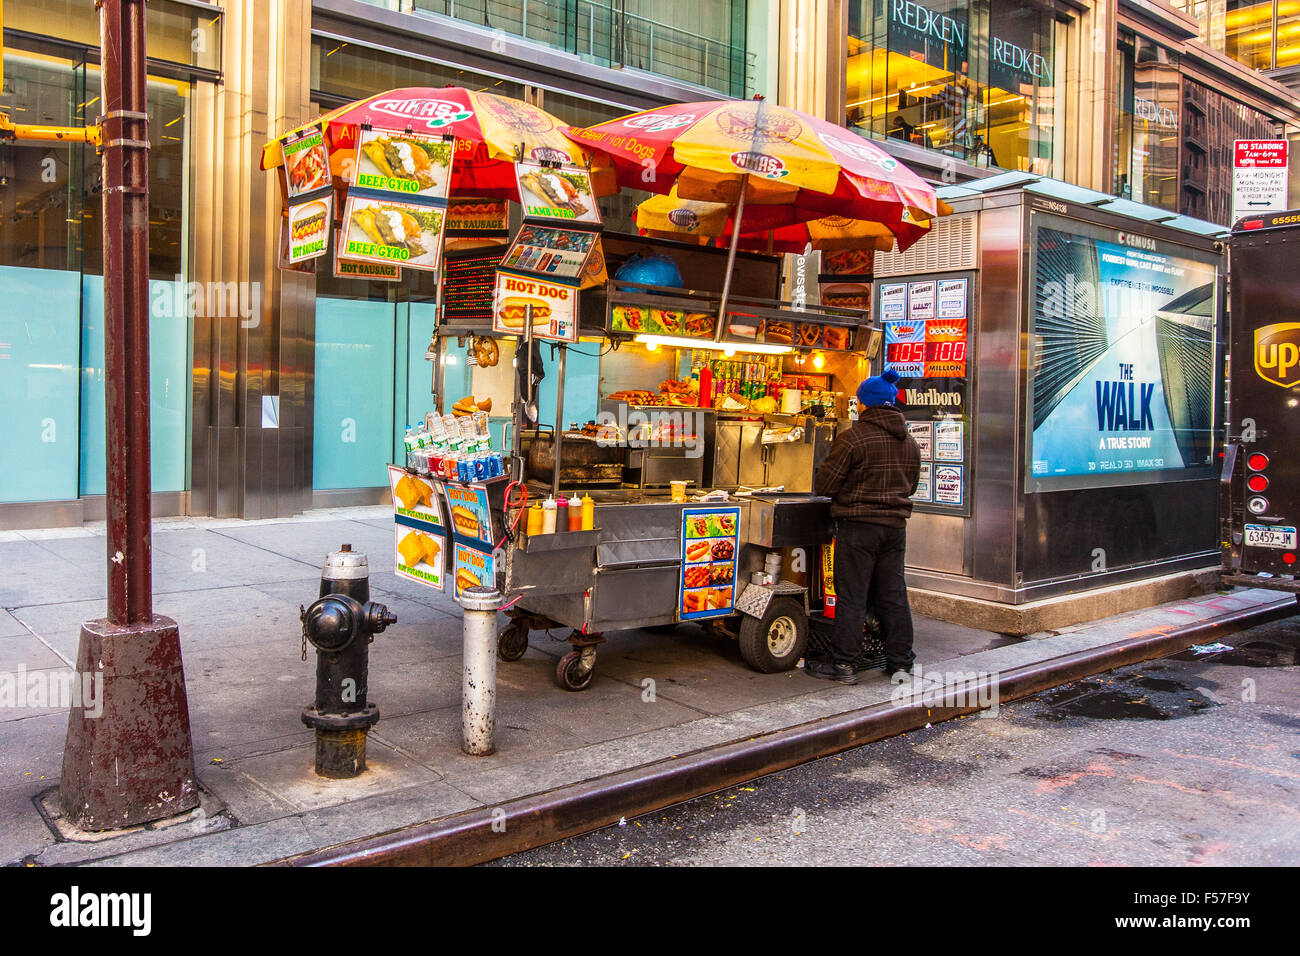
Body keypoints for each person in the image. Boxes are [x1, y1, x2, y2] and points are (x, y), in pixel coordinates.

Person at [810, 369, 921, 685]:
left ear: (865, 405)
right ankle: (900, 663)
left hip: (858, 527)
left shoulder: (853, 439)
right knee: (893, 594)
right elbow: (910, 487)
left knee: (853, 595)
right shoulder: (910, 442)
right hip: (894, 528)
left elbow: (826, 484)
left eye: (858, 402)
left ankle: (844, 664)